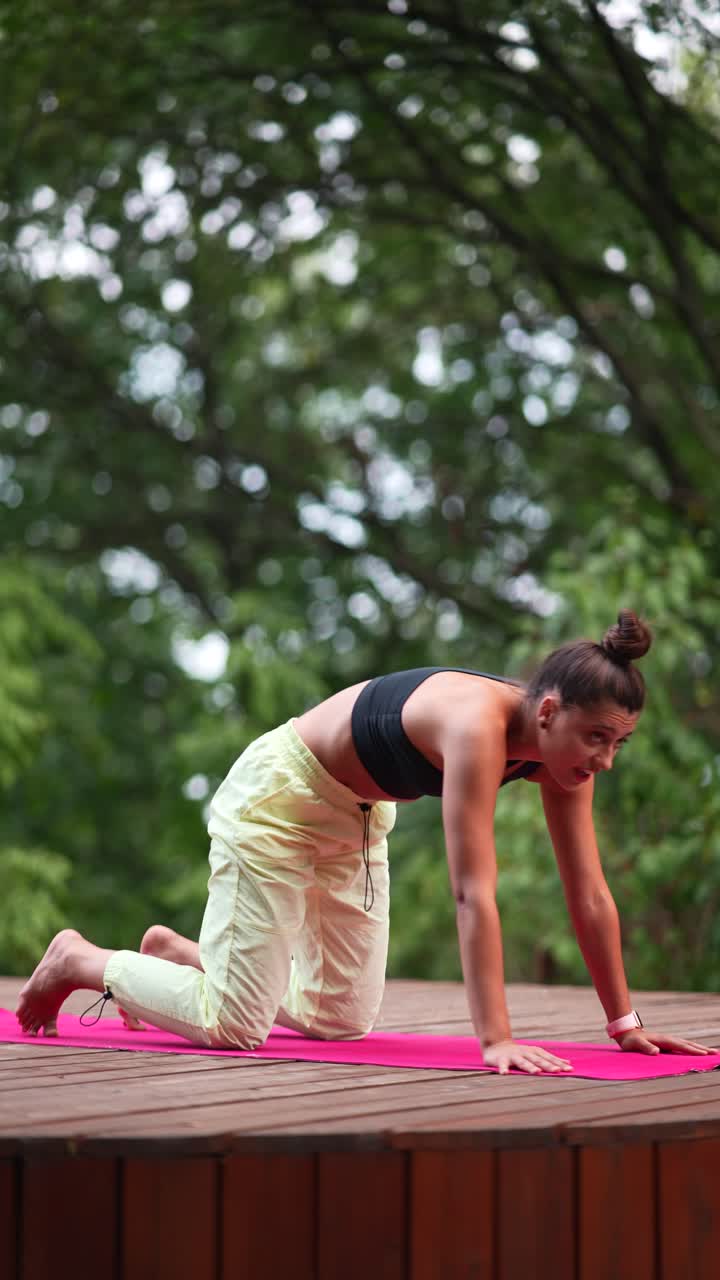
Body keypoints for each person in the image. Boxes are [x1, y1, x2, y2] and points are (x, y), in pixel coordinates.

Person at [16, 609, 714, 1074]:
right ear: (550, 710)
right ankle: (82, 958)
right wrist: (496, 1040)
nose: (605, 760)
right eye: (598, 738)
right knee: (235, 1026)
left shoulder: (565, 757)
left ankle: (182, 955)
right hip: (280, 801)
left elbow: (589, 894)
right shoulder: (478, 727)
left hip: (357, 815)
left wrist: (625, 1023)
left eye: (619, 744)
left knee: (339, 1018)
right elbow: (473, 893)